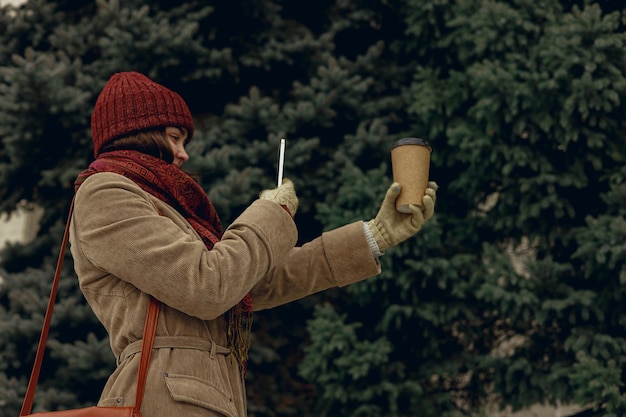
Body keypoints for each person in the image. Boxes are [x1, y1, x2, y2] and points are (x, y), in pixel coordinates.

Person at [69, 71, 438, 417]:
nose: (184, 154)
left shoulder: (166, 207)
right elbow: (206, 285)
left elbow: (253, 285)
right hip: (162, 399)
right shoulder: (105, 192)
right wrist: (269, 212)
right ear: (141, 134)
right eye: (174, 137)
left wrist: (376, 235)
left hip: (203, 396)